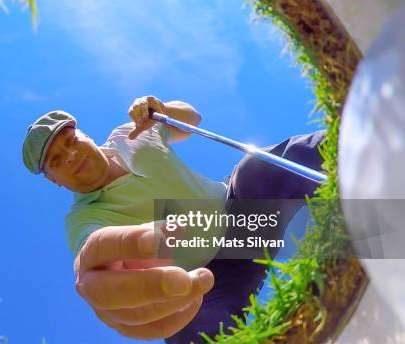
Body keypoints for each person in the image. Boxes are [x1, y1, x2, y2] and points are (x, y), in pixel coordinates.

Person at [21, 95, 324, 343]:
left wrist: (163, 110)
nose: (71, 155)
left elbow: (191, 120)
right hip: (205, 280)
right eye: (57, 161)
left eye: (70, 141)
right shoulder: (82, 217)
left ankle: (362, 162)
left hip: (238, 212)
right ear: (54, 180)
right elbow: (91, 248)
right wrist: (89, 268)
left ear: (84, 134)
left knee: (257, 166)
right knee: (186, 326)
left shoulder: (130, 133)